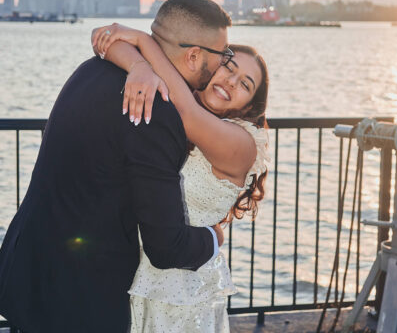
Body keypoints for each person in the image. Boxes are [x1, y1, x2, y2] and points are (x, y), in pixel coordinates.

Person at [0, 0, 232, 333]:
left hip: (26, 268)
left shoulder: (92, 69)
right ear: (194, 55)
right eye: (223, 54)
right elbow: (166, 247)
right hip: (79, 300)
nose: (225, 62)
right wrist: (213, 237)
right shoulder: (154, 110)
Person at [91, 20, 269, 332]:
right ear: (211, 64)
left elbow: (189, 113)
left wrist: (144, 41)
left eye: (245, 84)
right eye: (229, 68)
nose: (231, 82)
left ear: (250, 105)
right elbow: (103, 41)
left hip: (183, 285)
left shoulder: (243, 144)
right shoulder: (170, 102)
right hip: (131, 271)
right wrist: (139, 66)